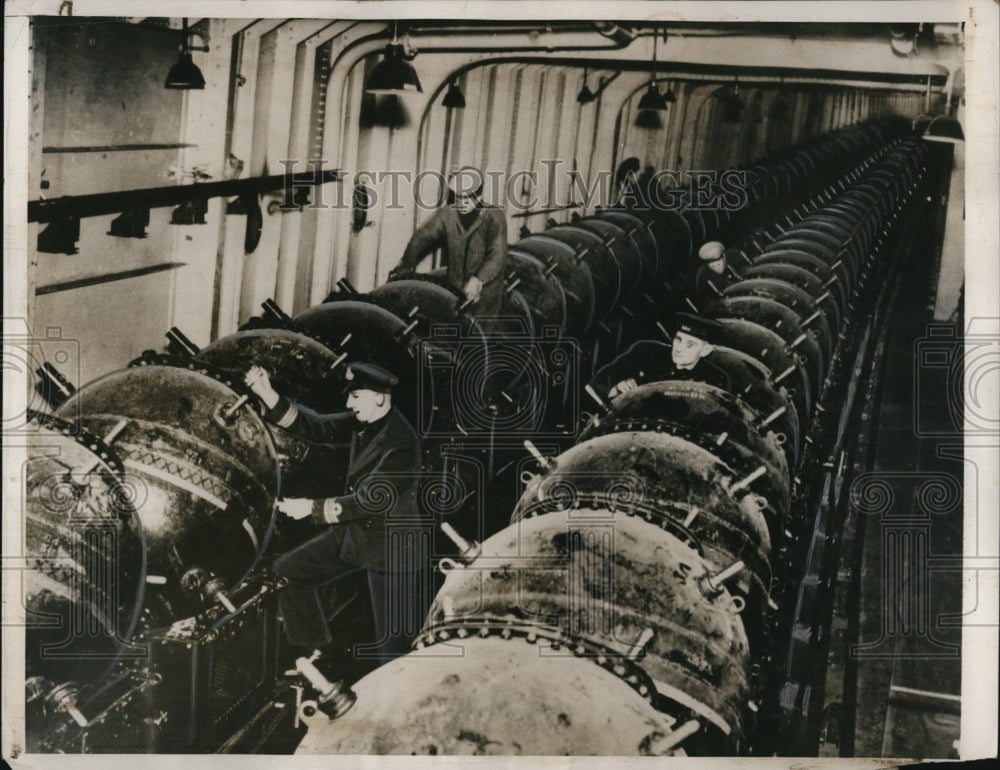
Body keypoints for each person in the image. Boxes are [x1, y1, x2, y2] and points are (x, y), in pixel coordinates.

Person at [244, 361, 428, 661]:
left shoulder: (402, 442)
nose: (347, 403)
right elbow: (317, 425)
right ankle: (314, 650)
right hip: (355, 535)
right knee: (288, 571)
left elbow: (372, 499)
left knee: (393, 652)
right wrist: (267, 394)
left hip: (391, 550)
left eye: (355, 396)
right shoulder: (364, 421)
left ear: (379, 398)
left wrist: (312, 509)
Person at [388, 166, 508, 320]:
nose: (462, 203)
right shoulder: (448, 214)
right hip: (454, 289)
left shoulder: (494, 217)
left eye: (467, 198)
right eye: (459, 198)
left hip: (484, 294)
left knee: (477, 337)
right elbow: (423, 236)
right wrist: (407, 262)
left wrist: (478, 279)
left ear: (478, 196)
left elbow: (497, 255)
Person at [586, 313, 733, 404]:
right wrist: (616, 389)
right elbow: (597, 384)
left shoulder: (716, 380)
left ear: (705, 351)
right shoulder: (646, 352)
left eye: (690, 345)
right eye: (678, 339)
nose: (679, 348)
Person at [691, 240, 739, 309]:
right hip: (724, 304)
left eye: (718, 264)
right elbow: (708, 303)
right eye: (712, 266)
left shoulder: (733, 257)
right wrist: (730, 303)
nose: (717, 267)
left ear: (724, 256)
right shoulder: (703, 275)